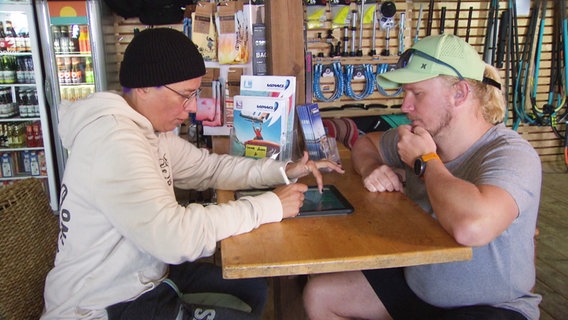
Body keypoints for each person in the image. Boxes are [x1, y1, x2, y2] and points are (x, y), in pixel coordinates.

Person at [41, 28, 343, 320]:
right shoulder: (115, 141)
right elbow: (174, 238)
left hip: (147, 275)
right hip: (103, 304)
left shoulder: (145, 130)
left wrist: (284, 170)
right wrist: (270, 206)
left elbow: (209, 169)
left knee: (252, 286)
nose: (194, 107)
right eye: (185, 95)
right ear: (145, 87)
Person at [303, 34, 542, 320]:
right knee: (320, 295)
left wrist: (425, 161)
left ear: (460, 94)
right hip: (420, 287)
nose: (405, 106)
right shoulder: (421, 137)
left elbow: (472, 228)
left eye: (418, 93)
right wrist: (371, 169)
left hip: (491, 307)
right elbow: (365, 145)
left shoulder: (512, 153)